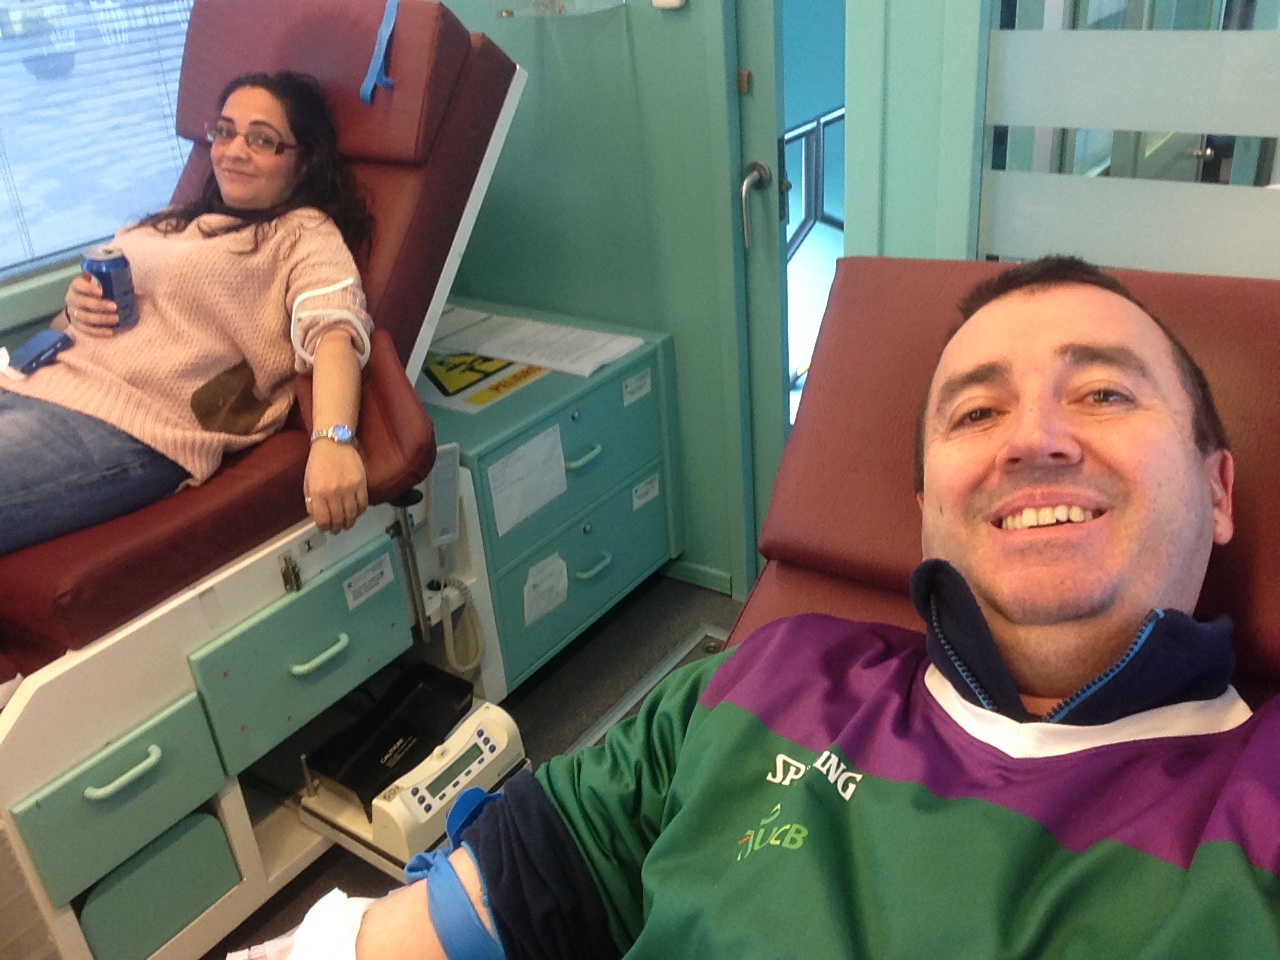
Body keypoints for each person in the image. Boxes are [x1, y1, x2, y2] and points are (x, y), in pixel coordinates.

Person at [257, 256, 1280, 959]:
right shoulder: (764, 680)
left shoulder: (1257, 813)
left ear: (1218, 489)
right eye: (977, 411)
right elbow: (444, 922)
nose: (1034, 439)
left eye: (1104, 394)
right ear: (926, 511)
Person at [0, 71, 373, 555]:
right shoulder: (177, 220)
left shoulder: (301, 232)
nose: (233, 151)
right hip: (33, 383)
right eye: (225, 132)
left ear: (303, 162)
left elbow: (335, 331)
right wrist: (75, 309)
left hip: (128, 426)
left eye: (262, 140)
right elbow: (76, 328)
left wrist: (334, 440)